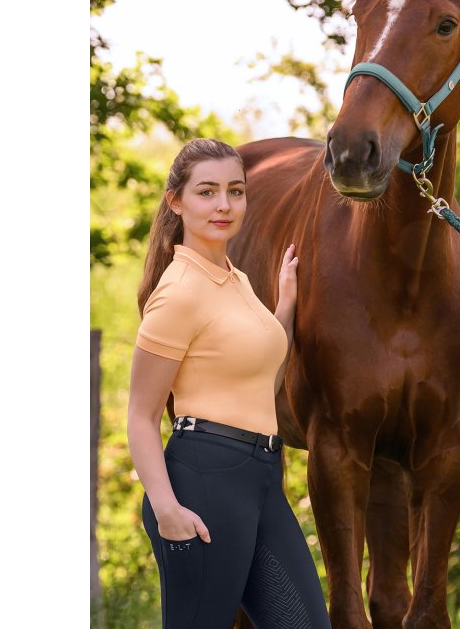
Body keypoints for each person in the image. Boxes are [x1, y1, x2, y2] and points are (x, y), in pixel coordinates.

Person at [126, 138, 330, 629]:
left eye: (235, 191)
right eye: (207, 192)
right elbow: (141, 415)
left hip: (261, 478)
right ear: (176, 202)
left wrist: (284, 307)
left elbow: (261, 376)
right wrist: (166, 508)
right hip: (203, 480)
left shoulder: (236, 281)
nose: (224, 204)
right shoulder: (178, 292)